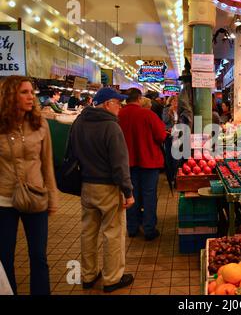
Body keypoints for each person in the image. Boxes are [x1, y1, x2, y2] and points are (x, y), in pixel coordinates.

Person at [70, 87, 135, 293]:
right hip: (108, 187)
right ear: (107, 104)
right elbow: (119, 164)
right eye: (118, 103)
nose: (120, 107)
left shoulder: (79, 123)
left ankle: (88, 276)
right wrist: (128, 191)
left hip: (87, 186)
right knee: (113, 233)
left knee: (88, 232)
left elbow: (70, 153)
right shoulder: (111, 127)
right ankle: (112, 278)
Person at [0, 76, 58, 295]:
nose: (30, 97)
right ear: (9, 96)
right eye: (24, 92)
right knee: (5, 256)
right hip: (4, 199)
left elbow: (47, 163)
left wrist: (52, 197)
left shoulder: (39, 123)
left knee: (39, 256)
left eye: (31, 92)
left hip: (35, 196)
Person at [118, 88, 167, 240]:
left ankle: (132, 228)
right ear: (139, 98)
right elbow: (161, 136)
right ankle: (149, 229)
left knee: (131, 194)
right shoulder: (147, 114)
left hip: (127, 162)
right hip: (149, 162)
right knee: (149, 195)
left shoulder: (118, 115)